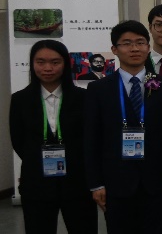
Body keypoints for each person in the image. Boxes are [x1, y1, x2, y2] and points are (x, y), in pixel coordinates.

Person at [84, 21, 162, 234]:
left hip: (157, 182)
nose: (134, 49)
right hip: (115, 182)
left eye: (140, 43)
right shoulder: (99, 89)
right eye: (126, 43)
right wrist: (96, 184)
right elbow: (91, 139)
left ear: (148, 47)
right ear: (115, 49)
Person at [10, 40, 97, 234]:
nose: (48, 68)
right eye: (40, 62)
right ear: (32, 64)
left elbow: (90, 139)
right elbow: (18, 141)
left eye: (55, 62)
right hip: (37, 183)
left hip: (77, 183)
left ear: (65, 64)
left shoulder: (84, 98)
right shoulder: (20, 99)